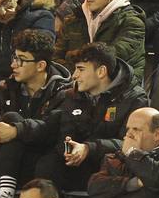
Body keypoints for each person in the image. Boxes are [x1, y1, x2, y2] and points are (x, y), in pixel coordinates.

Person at [0, 28, 70, 198]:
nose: (13, 65)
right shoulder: (6, 87)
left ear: (41, 65)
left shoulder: (64, 92)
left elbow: (51, 128)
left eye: (21, 60)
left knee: (12, 119)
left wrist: (16, 131)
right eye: (14, 58)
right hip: (1, 165)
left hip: (36, 167)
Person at [43, 43, 149, 190]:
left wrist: (88, 148)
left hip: (111, 166)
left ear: (101, 72)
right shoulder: (71, 95)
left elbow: (130, 142)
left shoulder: (134, 99)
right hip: (76, 163)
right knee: (48, 162)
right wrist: (69, 148)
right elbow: (60, 131)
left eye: (80, 69)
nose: (74, 75)